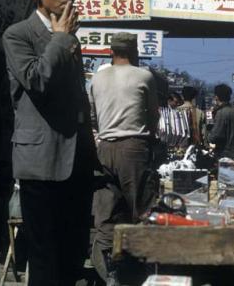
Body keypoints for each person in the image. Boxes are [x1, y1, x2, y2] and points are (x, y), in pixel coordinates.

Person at [2, 0, 98, 286]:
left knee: (73, 254)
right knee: (45, 257)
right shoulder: (18, 35)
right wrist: (59, 39)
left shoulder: (68, 36)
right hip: (41, 164)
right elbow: (36, 81)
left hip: (77, 162)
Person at [89, 32, 159, 285]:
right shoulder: (144, 76)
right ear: (135, 52)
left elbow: (94, 117)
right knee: (141, 210)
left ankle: (111, 271)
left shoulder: (97, 78)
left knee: (107, 211)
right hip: (134, 148)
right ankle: (146, 270)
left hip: (104, 149)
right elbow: (153, 116)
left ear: (111, 51)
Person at [208, 84, 234, 159]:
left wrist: (209, 131)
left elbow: (214, 137)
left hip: (225, 157)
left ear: (216, 97)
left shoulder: (221, 113)